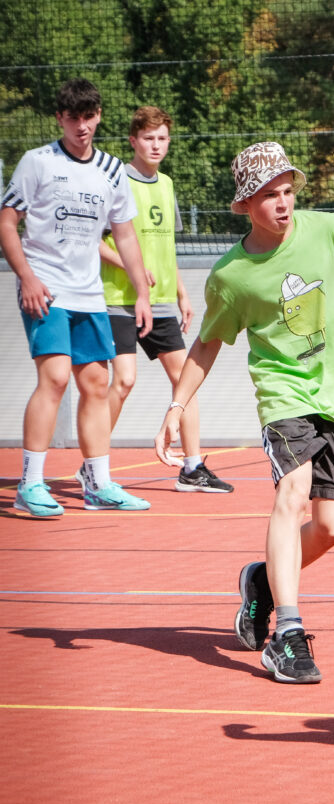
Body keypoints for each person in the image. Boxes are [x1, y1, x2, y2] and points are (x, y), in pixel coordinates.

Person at [155, 141, 334, 684]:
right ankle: (287, 634)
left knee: (332, 527)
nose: (282, 203)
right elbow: (206, 344)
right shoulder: (232, 276)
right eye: (269, 195)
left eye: (288, 191)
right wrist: (177, 404)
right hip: (284, 396)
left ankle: (263, 583)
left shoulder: (332, 230)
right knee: (291, 494)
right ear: (245, 204)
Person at [3, 77, 154, 517]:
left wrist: (141, 293)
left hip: (89, 295)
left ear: (98, 116)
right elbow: (7, 221)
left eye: (88, 117)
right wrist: (27, 278)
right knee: (54, 379)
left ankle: (97, 483)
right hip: (46, 288)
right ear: (60, 119)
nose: (81, 126)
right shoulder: (37, 162)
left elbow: (124, 236)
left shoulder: (110, 170)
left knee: (95, 384)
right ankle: (30, 484)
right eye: (73, 118)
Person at [100, 106, 233, 493]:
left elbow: (167, 246)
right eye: (148, 138)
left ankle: (192, 468)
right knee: (124, 381)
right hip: (118, 301)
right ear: (133, 141)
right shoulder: (114, 181)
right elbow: (95, 241)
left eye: (162, 139)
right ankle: (94, 464)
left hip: (160, 303)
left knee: (184, 383)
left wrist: (181, 292)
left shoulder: (167, 183)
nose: (155, 145)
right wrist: (131, 268)